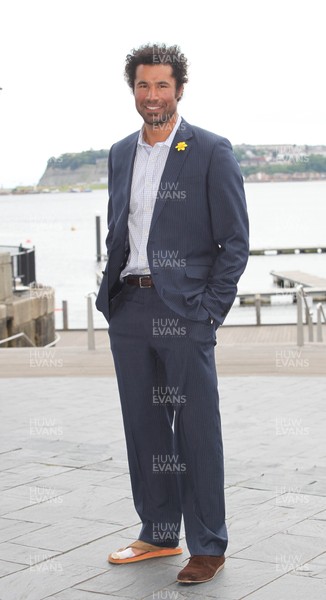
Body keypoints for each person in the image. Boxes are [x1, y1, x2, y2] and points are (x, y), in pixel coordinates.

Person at [96, 43, 249, 585]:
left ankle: (208, 545)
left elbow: (234, 242)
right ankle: (159, 532)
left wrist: (209, 311)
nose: (152, 96)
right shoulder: (120, 152)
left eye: (162, 85)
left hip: (185, 312)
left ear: (179, 89)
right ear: (132, 90)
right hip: (130, 307)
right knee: (144, 427)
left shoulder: (209, 150)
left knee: (196, 430)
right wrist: (110, 294)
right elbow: (124, 228)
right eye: (143, 85)